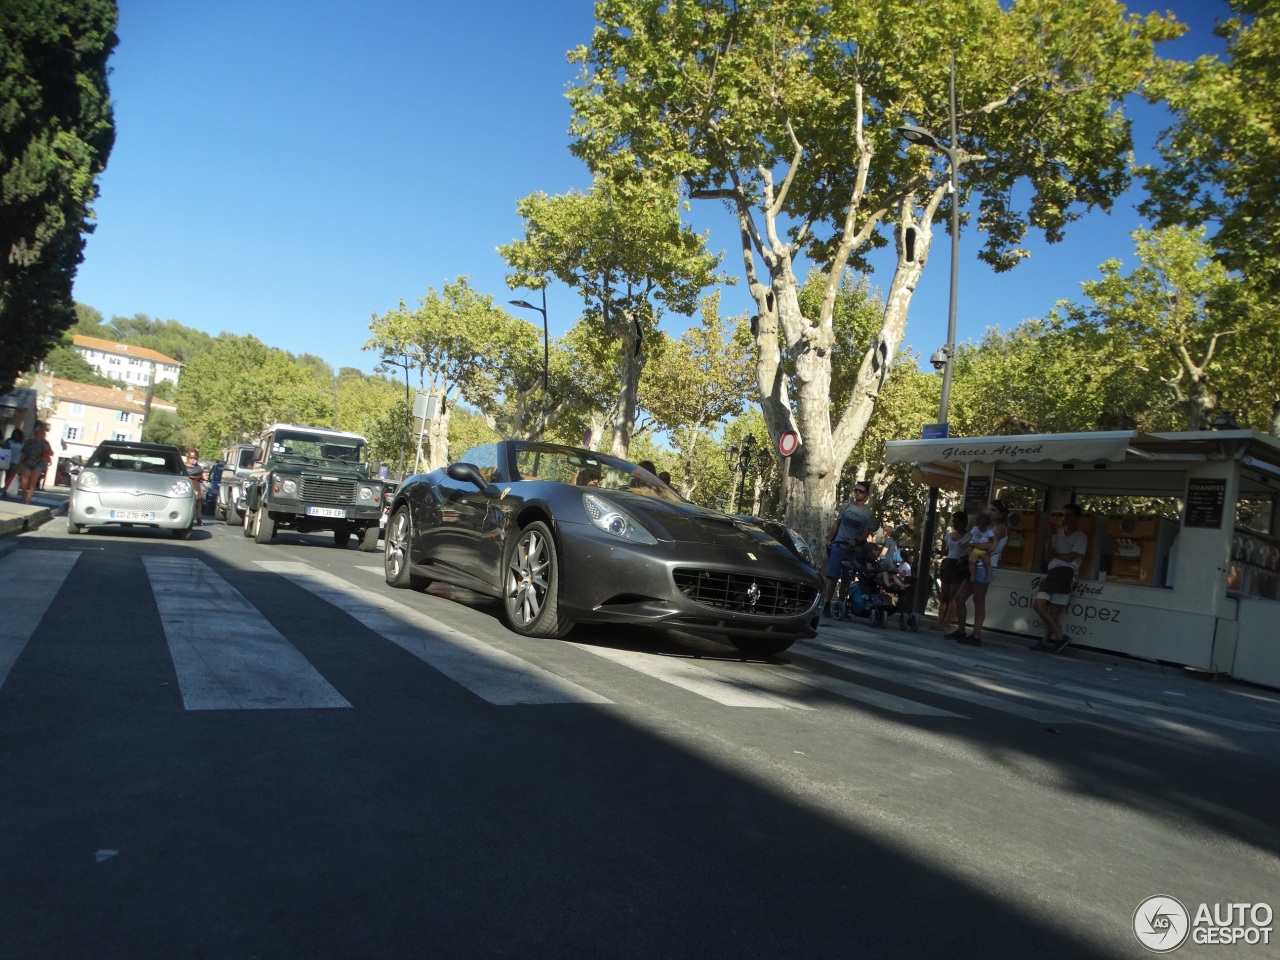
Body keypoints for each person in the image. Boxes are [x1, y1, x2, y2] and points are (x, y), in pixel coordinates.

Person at [947, 499, 1010, 646]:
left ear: (1001, 513)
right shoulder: (987, 527)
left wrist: (971, 543)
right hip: (976, 564)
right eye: (988, 509)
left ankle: (976, 635)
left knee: (978, 600)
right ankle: (961, 630)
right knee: (960, 598)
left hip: (985, 565)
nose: (989, 512)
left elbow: (988, 545)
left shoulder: (999, 529)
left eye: (993, 510)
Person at [1031, 503, 1088, 654]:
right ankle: (1055, 638)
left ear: (1077, 518)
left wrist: (1055, 555)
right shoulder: (1058, 534)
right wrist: (1050, 536)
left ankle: (1051, 639)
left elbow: (1070, 557)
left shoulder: (1081, 536)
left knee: (1047, 607)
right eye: (1064, 515)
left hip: (1066, 572)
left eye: (1069, 515)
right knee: (1045, 606)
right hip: (1054, 571)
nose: (1065, 518)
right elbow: (1046, 555)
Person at [821, 480, 877, 617]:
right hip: (839, 545)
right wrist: (829, 538)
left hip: (853, 550)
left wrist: (857, 540)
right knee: (832, 577)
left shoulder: (868, 513)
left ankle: (841, 606)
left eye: (861, 491)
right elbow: (837, 524)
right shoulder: (845, 507)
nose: (858, 493)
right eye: (856, 490)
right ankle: (827, 605)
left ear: (867, 494)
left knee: (847, 578)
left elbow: (866, 532)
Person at [931, 511, 969, 633]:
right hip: (949, 563)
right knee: (944, 595)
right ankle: (939, 621)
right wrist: (939, 552)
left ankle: (946, 623)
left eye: (957, 521)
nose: (954, 524)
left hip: (958, 564)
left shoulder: (968, 536)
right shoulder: (949, 536)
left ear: (964, 522)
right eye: (953, 521)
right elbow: (948, 551)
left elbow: (966, 550)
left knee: (953, 597)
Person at [17, 423, 53, 504]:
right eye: (40, 433)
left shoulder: (46, 443)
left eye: (43, 434)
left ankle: (28, 499)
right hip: (28, 462)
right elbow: (23, 454)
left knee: (33, 482)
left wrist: (47, 449)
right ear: (36, 434)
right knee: (24, 482)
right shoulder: (29, 442)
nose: (42, 435)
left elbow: (51, 453)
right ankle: (24, 495)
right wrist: (19, 464)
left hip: (39, 463)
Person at [967, 513, 995, 583]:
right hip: (975, 549)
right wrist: (969, 544)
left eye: (984, 527)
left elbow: (994, 539)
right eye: (980, 526)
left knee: (987, 563)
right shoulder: (975, 529)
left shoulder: (989, 531)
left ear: (987, 525)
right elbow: (969, 536)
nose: (982, 528)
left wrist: (992, 546)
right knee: (971, 561)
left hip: (984, 550)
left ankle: (989, 576)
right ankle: (972, 575)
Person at [184, 449, 206, 526]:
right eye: (191, 458)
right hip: (185, 484)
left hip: (195, 484)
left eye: (195, 458)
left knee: (198, 500)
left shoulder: (198, 468)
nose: (193, 460)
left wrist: (203, 478)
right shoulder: (183, 466)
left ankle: (199, 518)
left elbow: (204, 476)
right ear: (188, 458)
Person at [0, 427, 23, 497]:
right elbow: (4, 447)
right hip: (8, 460)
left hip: (16, 462)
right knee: (7, 476)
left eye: (18, 434)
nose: (16, 436)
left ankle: (9, 489)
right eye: (15, 434)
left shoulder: (22, 443)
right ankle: (6, 489)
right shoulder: (9, 441)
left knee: (12, 476)